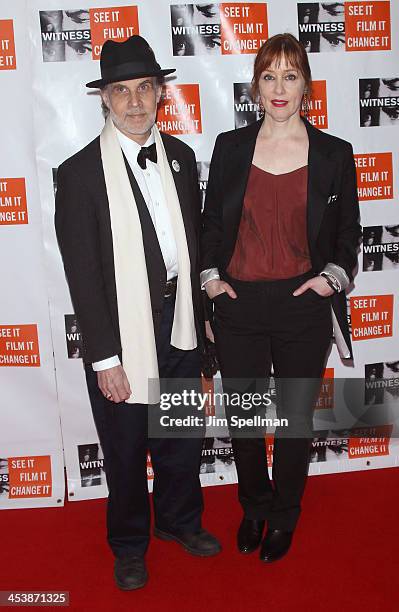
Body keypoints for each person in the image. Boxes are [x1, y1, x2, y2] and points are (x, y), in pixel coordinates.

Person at [55, 35, 220, 591]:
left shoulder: (180, 157)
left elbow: (193, 250)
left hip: (179, 327)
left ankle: (178, 523)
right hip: (121, 336)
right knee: (125, 451)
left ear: (159, 93)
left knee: (179, 439)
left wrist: (203, 341)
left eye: (144, 88)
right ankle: (129, 545)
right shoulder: (78, 174)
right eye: (120, 90)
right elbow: (84, 275)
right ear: (104, 98)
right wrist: (105, 358)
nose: (133, 102)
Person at [201, 33, 361, 563]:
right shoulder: (229, 147)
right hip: (239, 304)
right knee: (245, 419)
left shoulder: (335, 154)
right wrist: (210, 281)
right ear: (255, 84)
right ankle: (254, 506)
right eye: (269, 75)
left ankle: (285, 515)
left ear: (306, 87)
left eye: (290, 76)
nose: (278, 87)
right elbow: (211, 226)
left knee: (293, 421)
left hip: (302, 305)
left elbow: (347, 236)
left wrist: (329, 280)